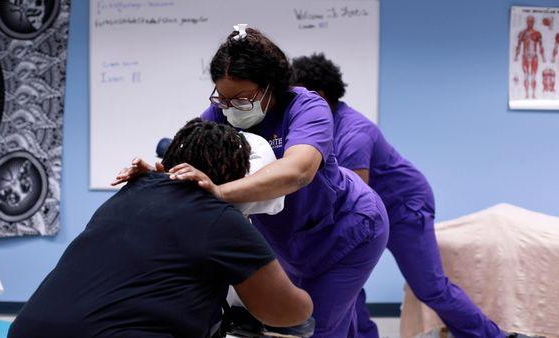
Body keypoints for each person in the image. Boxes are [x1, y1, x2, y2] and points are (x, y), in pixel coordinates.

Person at [115, 26, 389, 338]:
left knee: (315, 329)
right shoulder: (221, 112)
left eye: (242, 98)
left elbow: (298, 171)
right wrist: (157, 173)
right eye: (222, 98)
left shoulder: (306, 107)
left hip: (349, 228)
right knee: (320, 318)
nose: (230, 108)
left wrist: (219, 191)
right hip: (287, 237)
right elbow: (188, 160)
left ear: (271, 85)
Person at [9, 119, 313, 338]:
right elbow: (287, 312)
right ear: (237, 177)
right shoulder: (217, 217)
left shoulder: (133, 190)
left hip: (27, 328)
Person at [291, 53, 505, 338]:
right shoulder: (319, 126)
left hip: (402, 206)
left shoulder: (354, 133)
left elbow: (352, 204)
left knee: (430, 288)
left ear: (318, 95)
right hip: (370, 209)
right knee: (344, 283)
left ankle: (493, 336)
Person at [514, 16, 546, 99]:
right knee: (526, 75)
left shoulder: (537, 33)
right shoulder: (522, 33)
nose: (530, 23)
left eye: (531, 21)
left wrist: (543, 58)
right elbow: (518, 46)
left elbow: (541, 46)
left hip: (534, 56)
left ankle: (534, 94)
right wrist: (516, 56)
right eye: (528, 21)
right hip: (525, 56)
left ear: (533, 22)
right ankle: (526, 94)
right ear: (526, 22)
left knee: (533, 76)